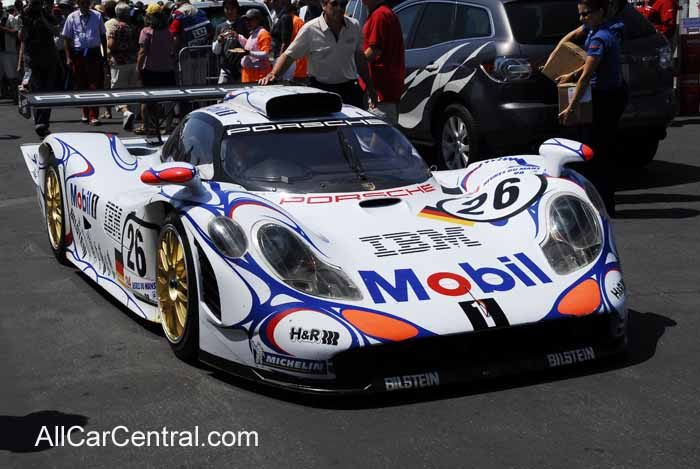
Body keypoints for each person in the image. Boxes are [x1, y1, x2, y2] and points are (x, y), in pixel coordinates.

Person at [555, 0, 627, 216]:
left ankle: (603, 205)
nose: (582, 18)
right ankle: (603, 202)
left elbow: (586, 76)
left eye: (586, 14)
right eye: (580, 14)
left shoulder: (599, 39)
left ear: (600, 12)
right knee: (601, 149)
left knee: (599, 152)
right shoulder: (597, 28)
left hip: (605, 98)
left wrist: (571, 108)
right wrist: (563, 66)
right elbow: (570, 41)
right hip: (610, 94)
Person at [259, 0, 376, 109]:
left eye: (343, 4)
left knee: (354, 130)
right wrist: (273, 74)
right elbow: (289, 55)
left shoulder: (354, 26)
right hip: (320, 90)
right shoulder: (310, 29)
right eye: (334, 4)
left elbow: (360, 58)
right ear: (324, 5)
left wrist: (370, 88)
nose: (340, 8)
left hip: (349, 90)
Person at [20, 0, 63, 136]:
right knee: (36, 91)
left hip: (48, 58)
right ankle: (39, 123)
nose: (36, 6)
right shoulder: (25, 14)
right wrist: (25, 25)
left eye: (38, 3)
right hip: (32, 59)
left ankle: (44, 122)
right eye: (34, 3)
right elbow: (21, 37)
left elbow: (56, 31)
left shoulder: (45, 14)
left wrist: (43, 19)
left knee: (47, 92)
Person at [62, 0, 107, 125]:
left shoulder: (97, 16)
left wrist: (105, 55)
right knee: (81, 84)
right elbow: (66, 37)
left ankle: (94, 115)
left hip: (94, 53)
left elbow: (103, 36)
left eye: (87, 2)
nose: (85, 5)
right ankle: (85, 112)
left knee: (94, 84)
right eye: (82, 3)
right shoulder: (72, 17)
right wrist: (68, 57)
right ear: (78, 3)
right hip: (78, 54)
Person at [362, 0, 404, 124]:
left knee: (380, 141)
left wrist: (353, 61)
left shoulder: (379, 15)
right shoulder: (385, 13)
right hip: (386, 91)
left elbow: (374, 50)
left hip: (382, 92)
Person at [136, 3, 176, 134]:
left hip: (150, 71)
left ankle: (147, 127)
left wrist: (138, 68)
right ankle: (168, 126)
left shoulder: (146, 32)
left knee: (146, 100)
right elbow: (172, 50)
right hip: (167, 70)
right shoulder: (168, 32)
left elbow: (142, 52)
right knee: (169, 100)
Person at [108, 2, 139, 130]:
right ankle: (131, 118)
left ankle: (125, 111)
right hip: (133, 61)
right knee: (131, 89)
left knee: (117, 90)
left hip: (120, 62)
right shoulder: (133, 26)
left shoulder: (116, 27)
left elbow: (111, 44)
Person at [211, 0, 246, 84]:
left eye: (232, 8)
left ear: (237, 9)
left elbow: (250, 45)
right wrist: (219, 42)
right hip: (225, 69)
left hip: (242, 69)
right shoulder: (220, 27)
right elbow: (215, 51)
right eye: (227, 8)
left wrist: (237, 36)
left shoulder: (244, 24)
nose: (230, 11)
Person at [236, 9, 272, 83]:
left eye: (250, 20)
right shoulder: (254, 33)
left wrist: (249, 53)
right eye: (246, 20)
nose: (247, 22)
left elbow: (266, 54)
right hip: (249, 74)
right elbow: (249, 46)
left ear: (258, 20)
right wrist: (237, 36)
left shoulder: (263, 34)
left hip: (259, 75)